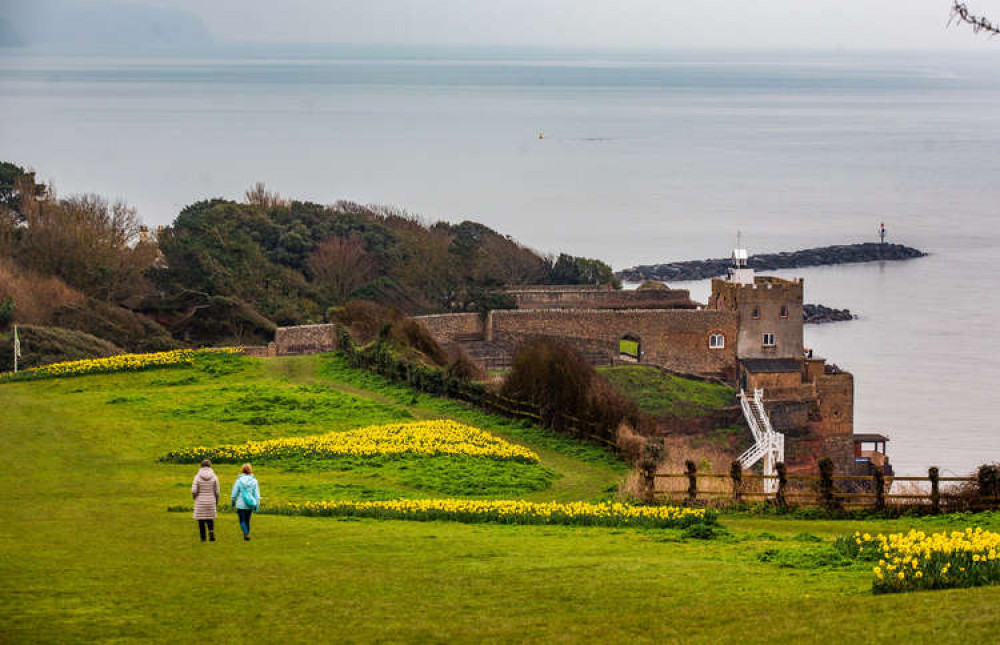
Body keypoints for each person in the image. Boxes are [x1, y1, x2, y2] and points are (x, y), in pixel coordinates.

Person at [191, 459, 220, 542]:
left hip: (200, 501)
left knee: (201, 519)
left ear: (201, 466)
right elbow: (217, 491)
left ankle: (203, 538)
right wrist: (216, 501)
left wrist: (195, 497)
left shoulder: (197, 477)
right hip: (211, 500)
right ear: (210, 466)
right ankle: (211, 533)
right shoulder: (214, 477)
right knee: (210, 518)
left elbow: (193, 490)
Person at [231, 463, 260, 541]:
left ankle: (246, 533)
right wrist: (257, 505)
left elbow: (234, 494)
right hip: (250, 504)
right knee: (247, 520)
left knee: (242, 520)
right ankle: (246, 534)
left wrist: (233, 503)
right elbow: (257, 495)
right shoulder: (254, 481)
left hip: (240, 504)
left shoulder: (239, 481)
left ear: (242, 470)